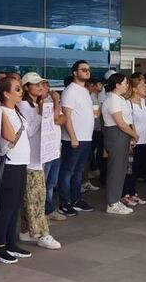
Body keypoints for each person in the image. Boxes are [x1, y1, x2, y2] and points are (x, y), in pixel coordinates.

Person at [18, 73, 61, 249]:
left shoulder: (37, 104)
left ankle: (26, 230)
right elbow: (28, 131)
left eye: (41, 84)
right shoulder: (23, 105)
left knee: (34, 197)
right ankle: (42, 233)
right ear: (27, 87)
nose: (40, 87)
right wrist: (40, 114)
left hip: (38, 157)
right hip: (29, 159)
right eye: (35, 84)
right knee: (36, 199)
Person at [0, 77, 31, 264]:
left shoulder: (17, 110)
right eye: (16, 89)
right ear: (6, 93)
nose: (21, 91)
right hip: (10, 164)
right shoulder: (0, 112)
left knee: (15, 206)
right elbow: (8, 136)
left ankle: (10, 242)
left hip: (21, 162)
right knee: (7, 207)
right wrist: (2, 112)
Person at [57, 60, 95, 216]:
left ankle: (76, 199)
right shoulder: (70, 91)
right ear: (75, 72)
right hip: (73, 139)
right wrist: (73, 137)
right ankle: (64, 203)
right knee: (67, 171)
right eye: (83, 69)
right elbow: (67, 116)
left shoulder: (84, 91)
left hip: (86, 137)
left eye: (88, 69)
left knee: (78, 171)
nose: (87, 71)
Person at [101, 73, 136, 215]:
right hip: (116, 134)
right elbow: (120, 122)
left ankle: (116, 199)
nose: (127, 86)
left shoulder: (119, 99)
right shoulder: (112, 99)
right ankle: (112, 202)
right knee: (116, 169)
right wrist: (134, 134)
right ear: (117, 84)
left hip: (123, 134)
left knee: (121, 168)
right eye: (125, 83)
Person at [123, 73, 146, 207]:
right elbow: (128, 122)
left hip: (143, 140)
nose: (145, 88)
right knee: (129, 169)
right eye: (142, 85)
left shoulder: (143, 101)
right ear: (134, 88)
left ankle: (133, 192)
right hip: (133, 141)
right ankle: (126, 194)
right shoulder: (128, 103)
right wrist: (131, 138)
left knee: (136, 168)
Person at [43, 87, 67, 221]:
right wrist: (57, 100)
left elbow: (63, 119)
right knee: (44, 183)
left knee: (52, 182)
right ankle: (43, 211)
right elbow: (56, 118)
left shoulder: (51, 102)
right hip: (45, 150)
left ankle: (49, 208)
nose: (46, 88)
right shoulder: (42, 104)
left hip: (55, 148)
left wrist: (56, 117)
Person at [82, 77, 103, 193]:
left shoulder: (94, 97)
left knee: (89, 157)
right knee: (85, 158)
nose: (101, 86)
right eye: (99, 84)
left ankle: (86, 179)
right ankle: (84, 181)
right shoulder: (88, 97)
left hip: (92, 130)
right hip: (89, 131)